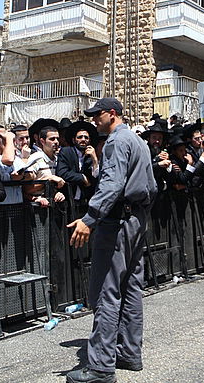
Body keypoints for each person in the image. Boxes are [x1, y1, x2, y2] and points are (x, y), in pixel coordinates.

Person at [65, 98, 157, 383]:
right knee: (131, 288)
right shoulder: (138, 140)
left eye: (97, 115)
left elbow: (112, 185)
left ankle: (101, 367)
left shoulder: (118, 141)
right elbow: (151, 186)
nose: (94, 120)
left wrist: (89, 219)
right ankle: (130, 353)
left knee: (107, 291)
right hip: (135, 219)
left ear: (112, 114)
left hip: (116, 222)